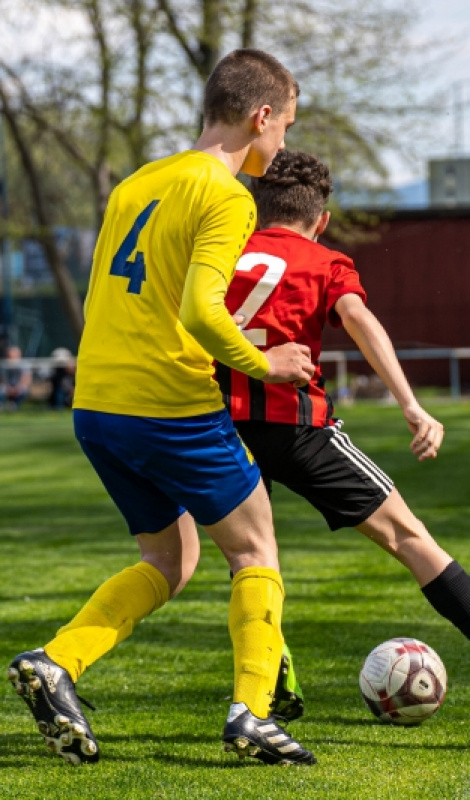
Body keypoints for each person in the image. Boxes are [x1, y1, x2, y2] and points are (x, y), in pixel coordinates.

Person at [7, 50, 318, 767]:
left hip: (97, 403)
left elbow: (110, 297)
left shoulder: (138, 182)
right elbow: (202, 310)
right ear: (259, 115)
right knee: (254, 548)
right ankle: (252, 713)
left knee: (169, 557)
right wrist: (264, 362)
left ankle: (58, 663)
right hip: (166, 400)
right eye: (284, 127)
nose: (281, 145)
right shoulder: (229, 194)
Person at [216, 150, 470, 727]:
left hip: (220, 428)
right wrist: (411, 405)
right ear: (322, 219)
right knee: (409, 537)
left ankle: (272, 661)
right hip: (298, 427)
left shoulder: (223, 253)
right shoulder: (326, 261)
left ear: (256, 208)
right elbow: (360, 320)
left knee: (249, 557)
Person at [0, 345, 32, 410]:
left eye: (14, 356)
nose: (11, 358)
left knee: (24, 389)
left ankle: (14, 405)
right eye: (9, 356)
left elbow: (26, 378)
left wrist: (17, 388)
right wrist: (9, 388)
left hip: (19, 386)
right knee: (1, 389)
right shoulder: (4, 364)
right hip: (7, 386)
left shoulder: (24, 364)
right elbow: (2, 378)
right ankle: (1, 404)